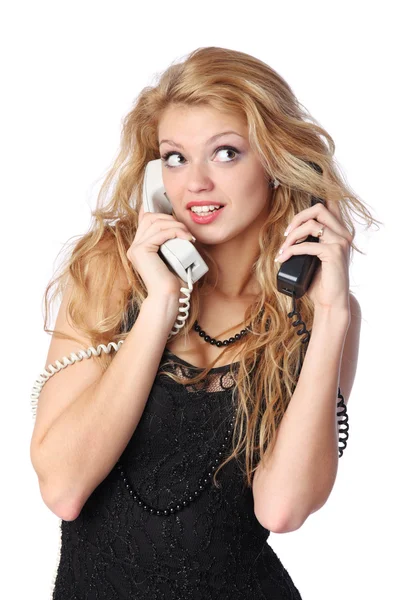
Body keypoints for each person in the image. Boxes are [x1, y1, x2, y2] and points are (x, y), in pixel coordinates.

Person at [30, 46, 375, 599]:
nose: (196, 183)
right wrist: (162, 302)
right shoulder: (107, 272)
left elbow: (282, 509)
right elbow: (64, 487)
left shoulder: (314, 313)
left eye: (226, 153)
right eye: (175, 157)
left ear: (278, 165)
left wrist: (333, 316)